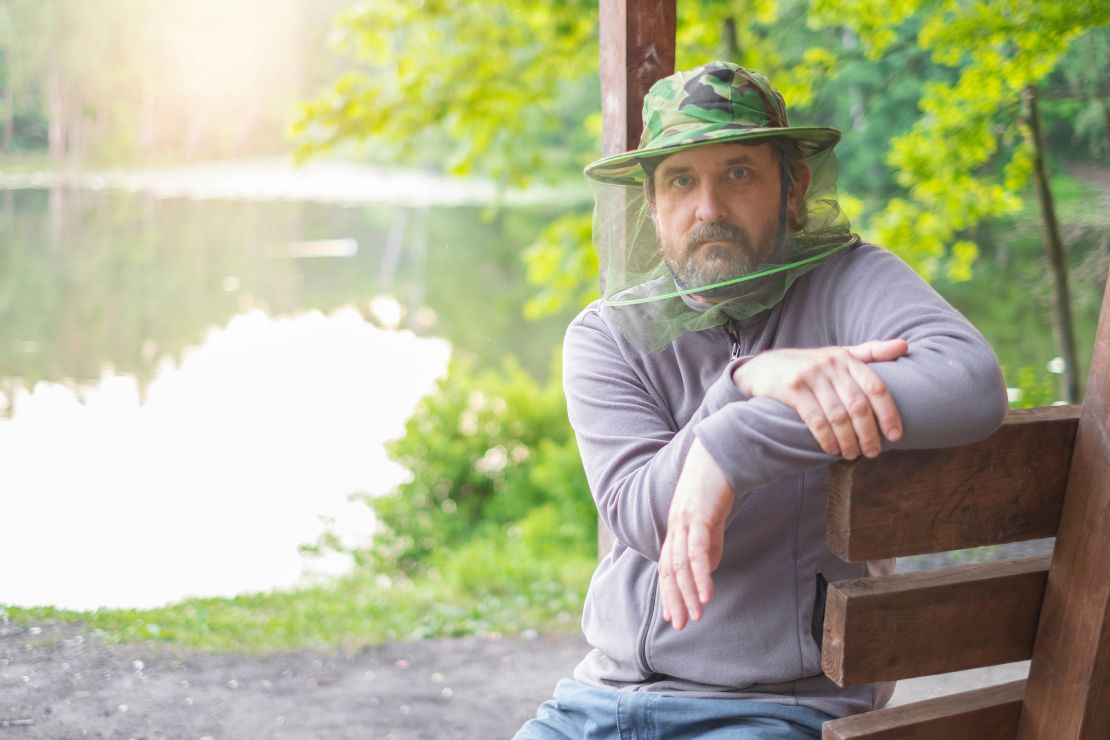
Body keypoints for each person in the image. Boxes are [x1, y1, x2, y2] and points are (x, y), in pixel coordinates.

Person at [514, 61, 1008, 739]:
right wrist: (747, 382)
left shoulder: (849, 282)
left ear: (794, 185)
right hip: (598, 700)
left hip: (774, 711)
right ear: (652, 203)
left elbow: (969, 384)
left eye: (738, 173)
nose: (708, 209)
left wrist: (737, 444)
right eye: (681, 181)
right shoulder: (607, 335)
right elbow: (639, 514)